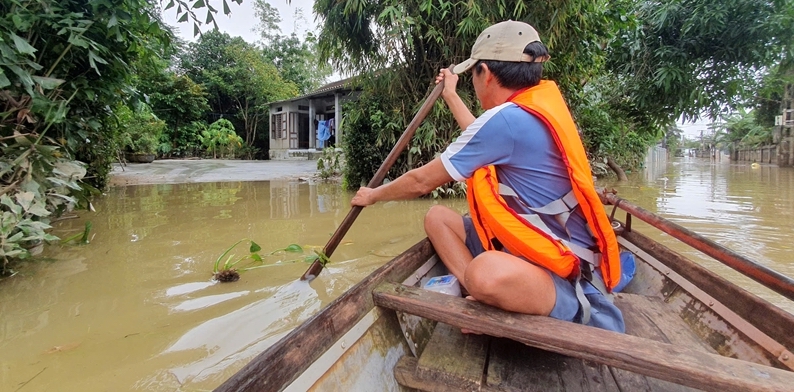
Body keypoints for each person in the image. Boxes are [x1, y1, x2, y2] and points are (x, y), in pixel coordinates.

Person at [351, 20, 625, 332]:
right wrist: (451, 94)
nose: (474, 83)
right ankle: (482, 296)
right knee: (437, 218)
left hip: (568, 274)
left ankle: (487, 294)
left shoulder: (508, 120)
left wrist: (372, 195)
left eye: (474, 75)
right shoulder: (525, 111)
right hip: (531, 251)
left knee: (484, 272)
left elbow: (421, 181)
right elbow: (478, 134)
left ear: (487, 73)